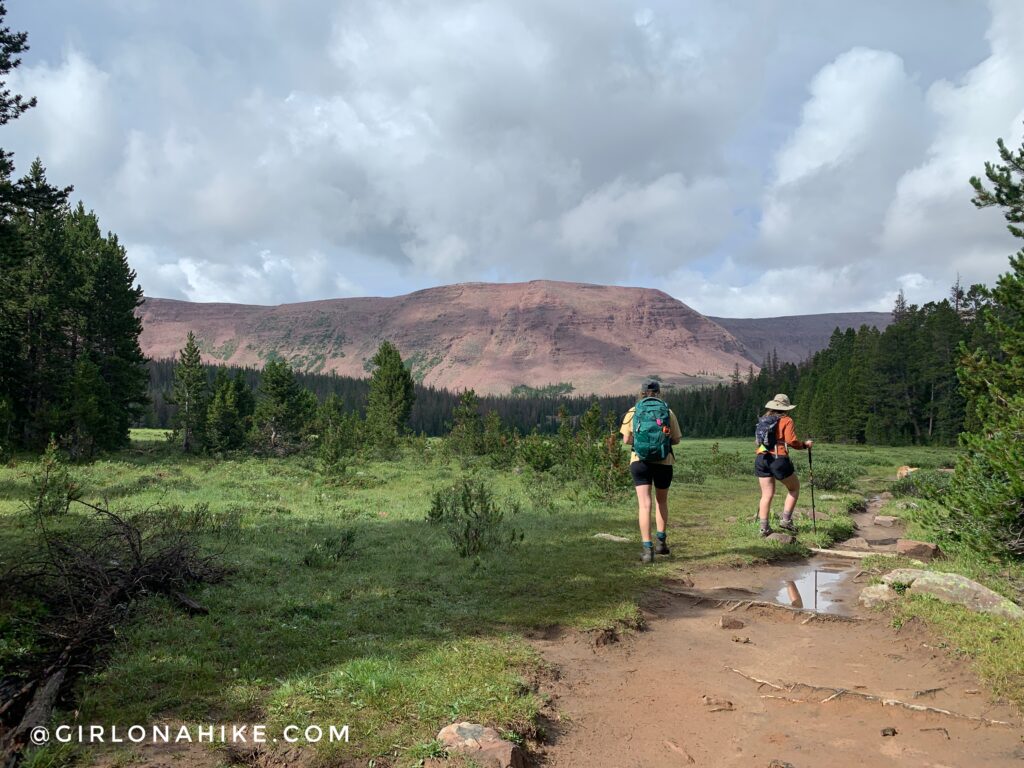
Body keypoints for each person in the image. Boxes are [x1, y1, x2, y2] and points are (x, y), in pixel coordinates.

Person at [620, 381, 682, 563]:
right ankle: (661, 543)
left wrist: (641, 443)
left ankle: (648, 551)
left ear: (641, 393)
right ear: (659, 393)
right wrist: (661, 443)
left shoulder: (633, 411)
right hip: (664, 461)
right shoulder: (667, 411)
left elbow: (625, 440)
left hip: (639, 461)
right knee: (661, 501)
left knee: (644, 505)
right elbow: (677, 440)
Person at [754, 393, 813, 537]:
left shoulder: (764, 420)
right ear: (786, 408)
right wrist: (805, 445)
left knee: (766, 494)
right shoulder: (786, 420)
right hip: (779, 459)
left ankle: (764, 528)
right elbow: (791, 441)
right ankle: (786, 521)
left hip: (761, 458)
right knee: (794, 488)